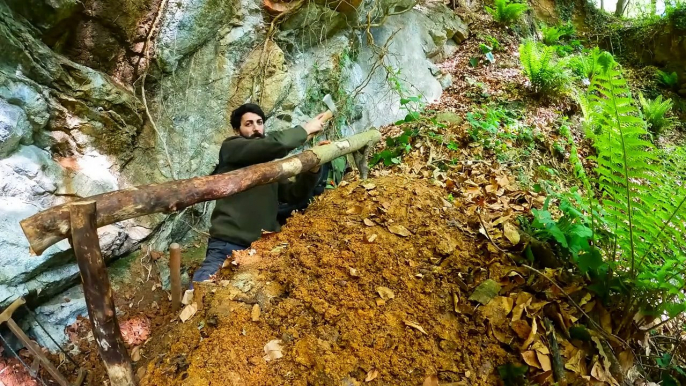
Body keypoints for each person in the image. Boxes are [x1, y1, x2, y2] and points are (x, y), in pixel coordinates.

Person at [191, 103, 328, 285]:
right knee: (202, 291)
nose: (256, 127)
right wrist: (304, 130)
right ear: (237, 130)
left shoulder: (269, 167)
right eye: (248, 124)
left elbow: (293, 194)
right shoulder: (231, 149)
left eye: (259, 122)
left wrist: (313, 169)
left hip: (262, 249)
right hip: (228, 245)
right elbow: (272, 144)